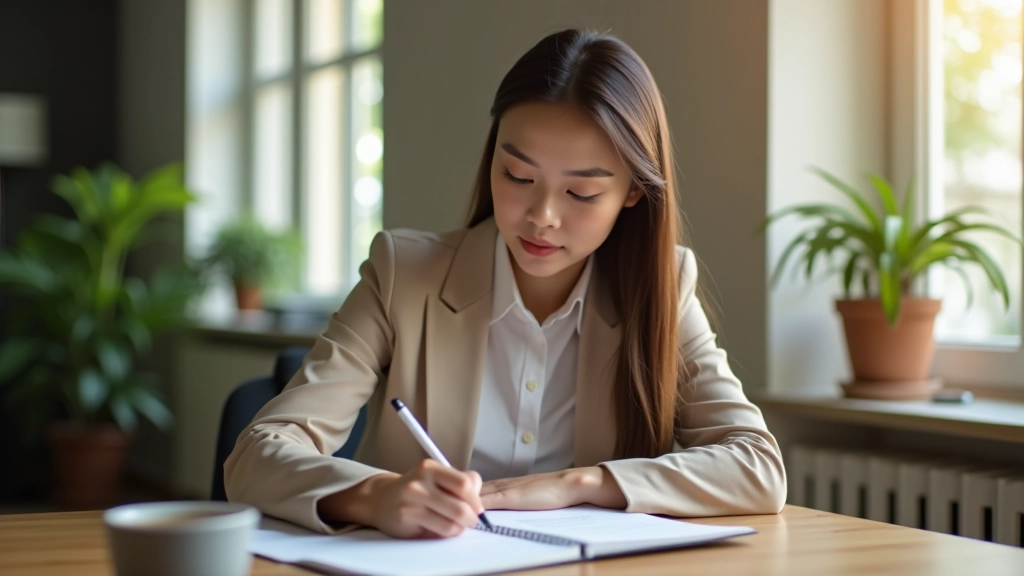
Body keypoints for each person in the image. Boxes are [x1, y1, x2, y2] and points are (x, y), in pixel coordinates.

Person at [224, 28, 786, 539]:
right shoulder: (403, 274)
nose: (541, 215)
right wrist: (375, 495)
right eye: (517, 176)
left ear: (633, 193)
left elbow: (757, 466)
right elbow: (256, 455)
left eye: (581, 193)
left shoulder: (661, 286)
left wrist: (576, 484)